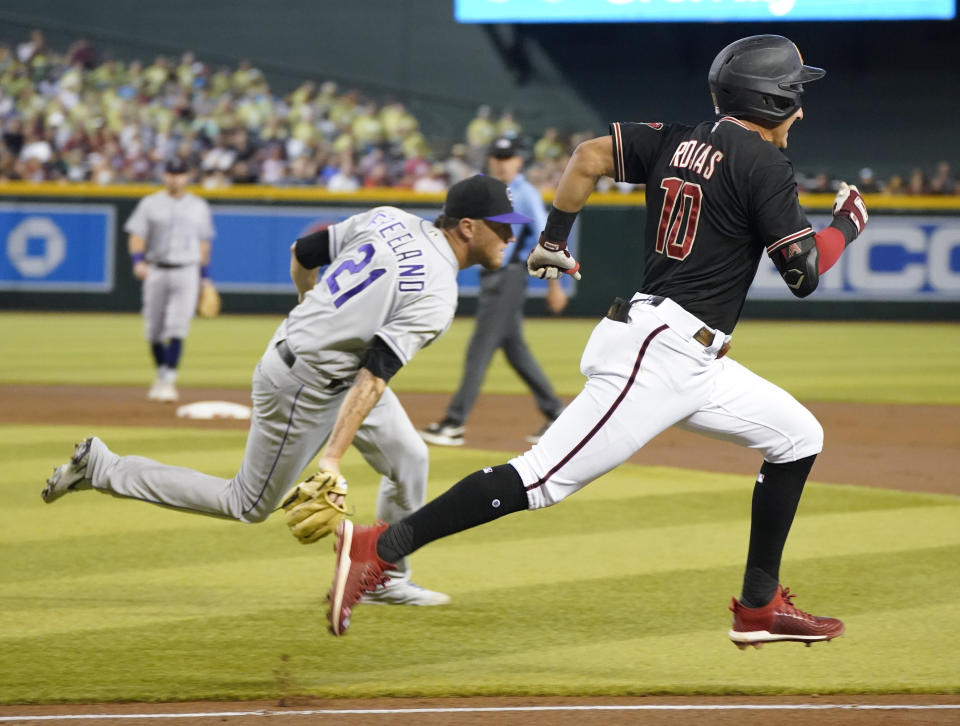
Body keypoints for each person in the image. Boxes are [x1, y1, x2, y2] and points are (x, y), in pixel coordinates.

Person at [325, 35, 870, 646]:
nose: (802, 110)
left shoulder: (674, 138)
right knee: (539, 479)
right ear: (774, 99)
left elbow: (587, 155)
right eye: (797, 96)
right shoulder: (763, 163)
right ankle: (379, 546)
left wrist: (555, 238)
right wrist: (846, 225)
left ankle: (758, 607)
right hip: (660, 353)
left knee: (798, 436)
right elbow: (802, 273)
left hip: (690, 354)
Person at [42, 175, 531, 608]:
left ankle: (383, 575)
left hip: (327, 362)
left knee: (409, 458)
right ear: (468, 226)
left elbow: (304, 252)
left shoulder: (389, 218)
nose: (510, 235)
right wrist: (333, 458)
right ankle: (105, 468)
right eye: (502, 225)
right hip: (307, 383)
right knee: (247, 503)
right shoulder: (439, 292)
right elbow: (375, 376)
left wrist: (308, 306)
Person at [420, 135, 567, 447]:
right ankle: (557, 415)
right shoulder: (487, 190)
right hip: (496, 279)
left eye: (508, 157)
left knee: (479, 349)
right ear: (491, 160)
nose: (503, 163)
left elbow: (547, 237)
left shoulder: (524, 194)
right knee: (516, 351)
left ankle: (454, 423)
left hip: (510, 278)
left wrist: (554, 285)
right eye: (498, 157)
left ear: (519, 160)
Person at [125, 159, 215, 402]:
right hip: (156, 269)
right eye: (171, 173)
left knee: (177, 326)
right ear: (164, 176)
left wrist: (204, 279)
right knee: (153, 329)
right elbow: (137, 235)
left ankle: (168, 379)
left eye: (180, 174)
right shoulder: (150, 204)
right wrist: (137, 261)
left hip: (188, 270)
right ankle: (161, 374)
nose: (175, 178)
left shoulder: (198, 206)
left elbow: (204, 243)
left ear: (187, 176)